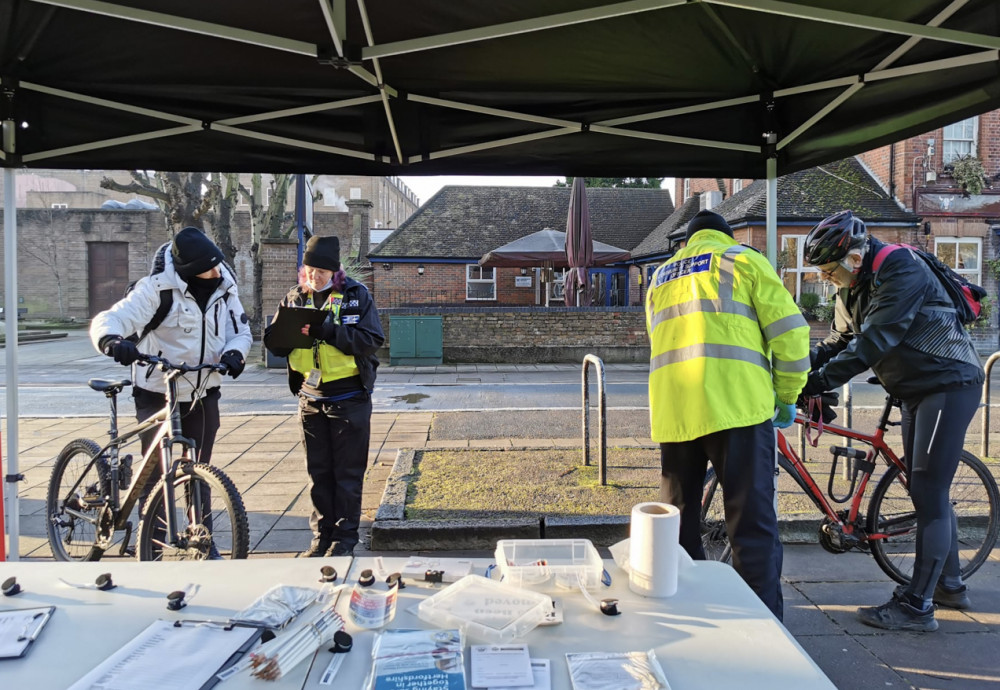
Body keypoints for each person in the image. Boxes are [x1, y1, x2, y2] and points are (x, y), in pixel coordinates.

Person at [802, 210, 984, 632]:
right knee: (928, 490)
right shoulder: (854, 284)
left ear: (853, 256)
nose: (827, 279)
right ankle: (950, 586)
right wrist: (799, 370)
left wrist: (817, 383)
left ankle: (917, 607)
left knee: (928, 490)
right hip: (912, 389)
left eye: (830, 270)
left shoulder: (903, 267)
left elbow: (875, 340)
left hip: (948, 383)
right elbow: (840, 339)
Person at [646, 209, 810, 620]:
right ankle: (761, 631)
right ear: (726, 235)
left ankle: (689, 618)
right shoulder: (743, 260)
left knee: (678, 529)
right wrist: (788, 395)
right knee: (750, 527)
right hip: (738, 409)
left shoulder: (660, 277)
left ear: (686, 242)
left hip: (676, 414)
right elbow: (791, 334)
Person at [90, 226, 252, 558]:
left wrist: (236, 352)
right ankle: (151, 544)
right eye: (209, 267)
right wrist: (112, 341)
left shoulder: (226, 288)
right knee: (156, 472)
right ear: (189, 271)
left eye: (217, 263)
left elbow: (241, 330)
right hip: (157, 390)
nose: (216, 271)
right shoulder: (155, 290)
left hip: (204, 389)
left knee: (199, 470)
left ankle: (202, 540)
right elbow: (113, 318)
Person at [264, 235, 384, 558]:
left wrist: (333, 332)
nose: (313, 276)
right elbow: (276, 342)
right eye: (309, 269)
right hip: (310, 398)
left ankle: (345, 539)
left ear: (334, 271)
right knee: (318, 473)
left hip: (348, 398)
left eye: (320, 271)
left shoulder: (356, 295)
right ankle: (321, 536)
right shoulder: (294, 298)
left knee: (347, 474)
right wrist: (276, 339)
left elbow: (372, 339)